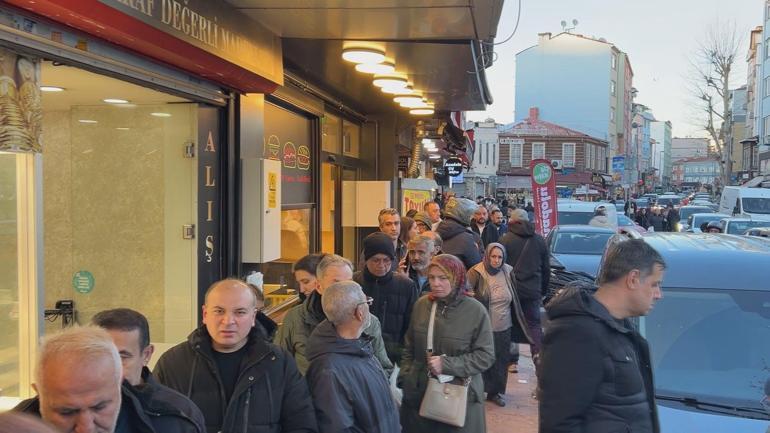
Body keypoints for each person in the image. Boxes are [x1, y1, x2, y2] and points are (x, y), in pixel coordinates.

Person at [154, 279, 317, 433]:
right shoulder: (172, 364)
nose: (228, 321)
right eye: (219, 311)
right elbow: (154, 423)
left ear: (253, 317)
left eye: (240, 312)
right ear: (205, 314)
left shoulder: (279, 362)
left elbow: (301, 423)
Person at [539, 239, 664, 433]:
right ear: (633, 279)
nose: (658, 294)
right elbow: (559, 423)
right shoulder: (577, 334)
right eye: (654, 284)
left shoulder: (620, 328)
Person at [398, 254, 495, 433]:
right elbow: (409, 346)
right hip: (419, 395)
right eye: (432, 277)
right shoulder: (421, 306)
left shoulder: (475, 311)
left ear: (457, 278)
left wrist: (447, 364)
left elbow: (486, 356)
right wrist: (406, 376)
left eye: (443, 278)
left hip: (460, 397)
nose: (436, 283)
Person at [306, 281, 400, 433]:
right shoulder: (328, 370)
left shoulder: (359, 347)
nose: (369, 306)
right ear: (359, 312)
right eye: (367, 301)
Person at [275, 254, 393, 375]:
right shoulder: (295, 318)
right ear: (319, 287)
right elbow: (279, 363)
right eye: (336, 284)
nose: (344, 291)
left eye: (349, 283)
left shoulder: (368, 321)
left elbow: (384, 369)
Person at [91, 308, 206, 433]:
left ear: (146, 355)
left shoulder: (181, 415)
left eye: (122, 357)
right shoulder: (76, 408)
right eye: (100, 356)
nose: (109, 368)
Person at [16, 326, 123, 433]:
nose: (86, 429)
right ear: (40, 396)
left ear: (119, 386)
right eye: (67, 412)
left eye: (99, 407)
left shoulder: (133, 412)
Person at [466, 243, 532, 407]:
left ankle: (495, 392)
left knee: (501, 361)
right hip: (483, 326)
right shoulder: (476, 272)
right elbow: (466, 292)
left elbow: (514, 295)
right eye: (493, 256)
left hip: (504, 325)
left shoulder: (508, 271)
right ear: (487, 256)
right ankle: (477, 390)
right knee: (481, 359)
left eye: (500, 257)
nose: (496, 260)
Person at [354, 232, 418, 362]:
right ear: (366, 260)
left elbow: (411, 326)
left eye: (386, 260)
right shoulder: (353, 283)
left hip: (394, 357)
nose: (381, 265)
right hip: (358, 355)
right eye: (376, 260)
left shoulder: (406, 286)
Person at [499, 208, 550, 364]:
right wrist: (543, 290)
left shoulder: (504, 240)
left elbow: (499, 267)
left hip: (510, 289)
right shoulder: (539, 240)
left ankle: (512, 360)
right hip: (532, 290)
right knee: (534, 324)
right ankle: (538, 354)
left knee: (509, 323)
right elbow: (546, 268)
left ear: (511, 221)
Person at [435, 197, 483, 270]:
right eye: (470, 215)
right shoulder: (468, 238)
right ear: (464, 214)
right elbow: (477, 266)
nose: (472, 218)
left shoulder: (435, 231)